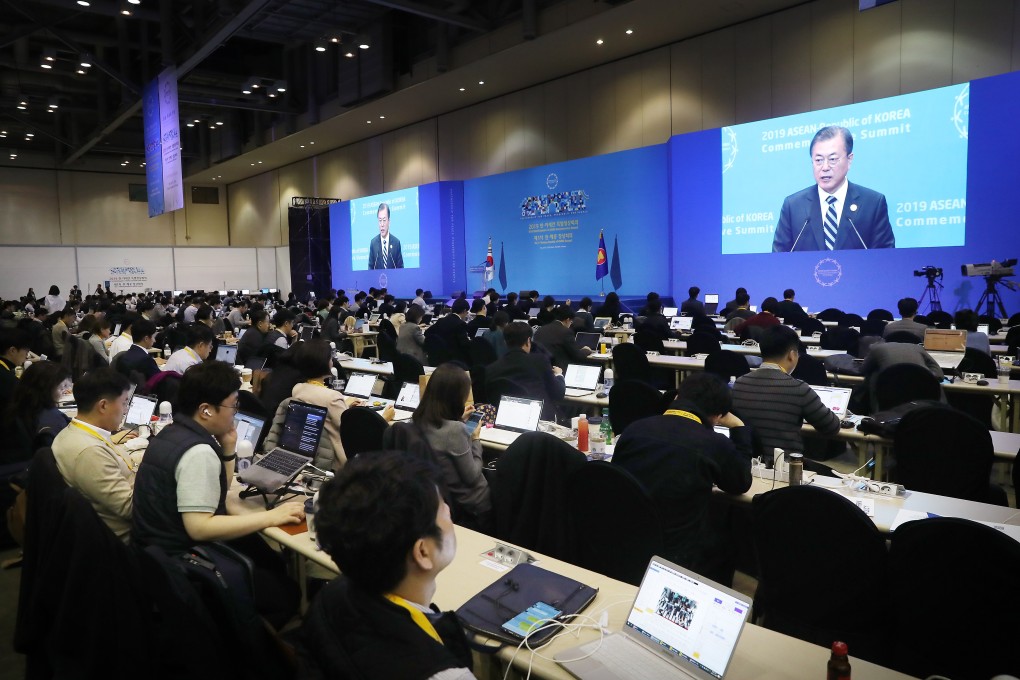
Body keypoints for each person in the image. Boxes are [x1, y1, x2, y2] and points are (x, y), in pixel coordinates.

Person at [132, 361, 304, 625]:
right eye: (233, 405)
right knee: (286, 592)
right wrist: (273, 517)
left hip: (158, 554)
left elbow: (215, 497)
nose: (235, 412)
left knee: (267, 559)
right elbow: (200, 528)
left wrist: (228, 449)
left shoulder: (172, 432)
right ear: (206, 411)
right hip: (183, 564)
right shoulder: (198, 452)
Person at [302, 452, 474, 679]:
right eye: (443, 510)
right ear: (422, 552)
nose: (449, 512)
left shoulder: (330, 594)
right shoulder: (446, 674)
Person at [612, 372, 752, 584]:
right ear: (717, 416)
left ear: (678, 397)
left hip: (624, 538)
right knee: (728, 533)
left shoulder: (634, 429)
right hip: (678, 552)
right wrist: (740, 429)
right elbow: (740, 483)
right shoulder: (713, 443)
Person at [772, 125, 895, 252]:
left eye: (832, 159)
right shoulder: (793, 206)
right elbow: (778, 260)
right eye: (818, 160)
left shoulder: (873, 203)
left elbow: (885, 259)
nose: (825, 167)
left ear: (849, 160)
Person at [51, 368, 136, 541]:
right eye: (124, 402)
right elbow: (131, 508)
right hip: (122, 540)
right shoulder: (89, 452)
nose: (126, 410)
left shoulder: (77, 432)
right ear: (103, 405)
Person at [732, 325, 840, 459]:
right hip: (785, 469)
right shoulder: (798, 388)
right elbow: (832, 427)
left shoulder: (739, 383)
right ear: (792, 355)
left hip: (746, 464)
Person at [412, 363, 491, 531]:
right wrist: (475, 439)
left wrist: (459, 420)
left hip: (441, 500)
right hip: (473, 505)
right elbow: (472, 476)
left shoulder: (416, 422)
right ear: (456, 397)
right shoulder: (455, 431)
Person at [291, 340, 392, 470]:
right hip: (338, 458)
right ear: (323, 363)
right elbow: (353, 432)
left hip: (312, 450)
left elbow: (325, 414)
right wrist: (384, 418)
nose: (332, 360)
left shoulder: (297, 388)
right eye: (330, 358)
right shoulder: (332, 397)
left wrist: (345, 407)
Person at [485, 321, 565, 416]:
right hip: (540, 419)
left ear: (505, 342)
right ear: (528, 341)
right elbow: (558, 394)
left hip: (506, 420)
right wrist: (559, 375)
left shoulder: (491, 369)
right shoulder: (540, 361)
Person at [1, 361, 72, 464]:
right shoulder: (50, 419)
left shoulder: (19, 407)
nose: (64, 391)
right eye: (62, 387)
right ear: (47, 388)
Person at [534, 306, 594, 371]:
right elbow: (578, 356)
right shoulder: (566, 332)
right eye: (571, 322)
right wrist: (586, 350)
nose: (570, 324)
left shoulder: (540, 330)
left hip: (541, 370)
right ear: (567, 320)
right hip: (560, 371)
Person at [424, 298, 471, 363]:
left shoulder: (441, 320)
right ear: (464, 310)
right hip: (455, 360)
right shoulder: (461, 324)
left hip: (438, 357)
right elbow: (464, 344)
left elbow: (427, 333)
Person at [368, 202, 404, 269]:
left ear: (389, 221)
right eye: (380, 220)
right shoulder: (373, 243)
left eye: (384, 220)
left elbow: (401, 269)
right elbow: (370, 269)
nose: (382, 224)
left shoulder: (396, 243)